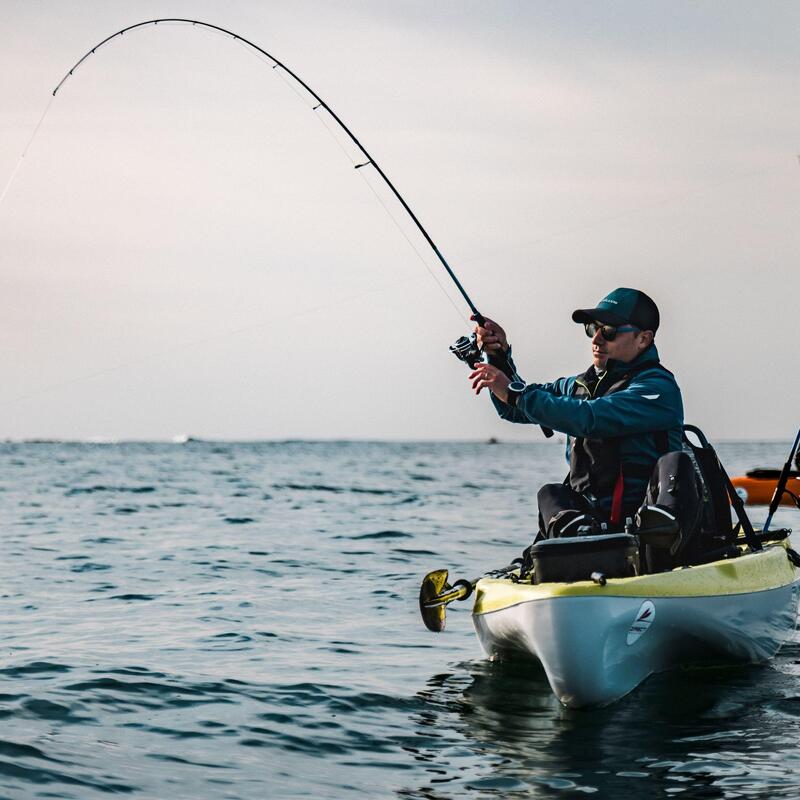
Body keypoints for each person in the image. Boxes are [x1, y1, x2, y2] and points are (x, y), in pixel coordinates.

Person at [469, 288, 684, 538]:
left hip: (645, 529)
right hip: (593, 522)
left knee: (678, 464)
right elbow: (513, 408)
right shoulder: (578, 386)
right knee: (550, 494)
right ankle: (576, 541)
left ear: (643, 339)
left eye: (609, 332)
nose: (597, 340)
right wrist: (498, 356)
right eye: (592, 329)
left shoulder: (657, 388)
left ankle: (661, 542)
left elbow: (590, 418)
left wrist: (515, 393)